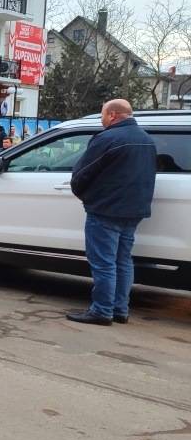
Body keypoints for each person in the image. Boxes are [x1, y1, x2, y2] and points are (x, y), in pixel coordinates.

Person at [65, 99, 157, 326]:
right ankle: (119, 310)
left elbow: (83, 173)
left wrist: (85, 195)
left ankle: (102, 311)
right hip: (134, 210)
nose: (102, 120)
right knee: (123, 261)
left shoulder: (108, 138)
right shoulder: (147, 139)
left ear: (113, 115)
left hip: (106, 208)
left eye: (103, 115)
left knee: (104, 263)